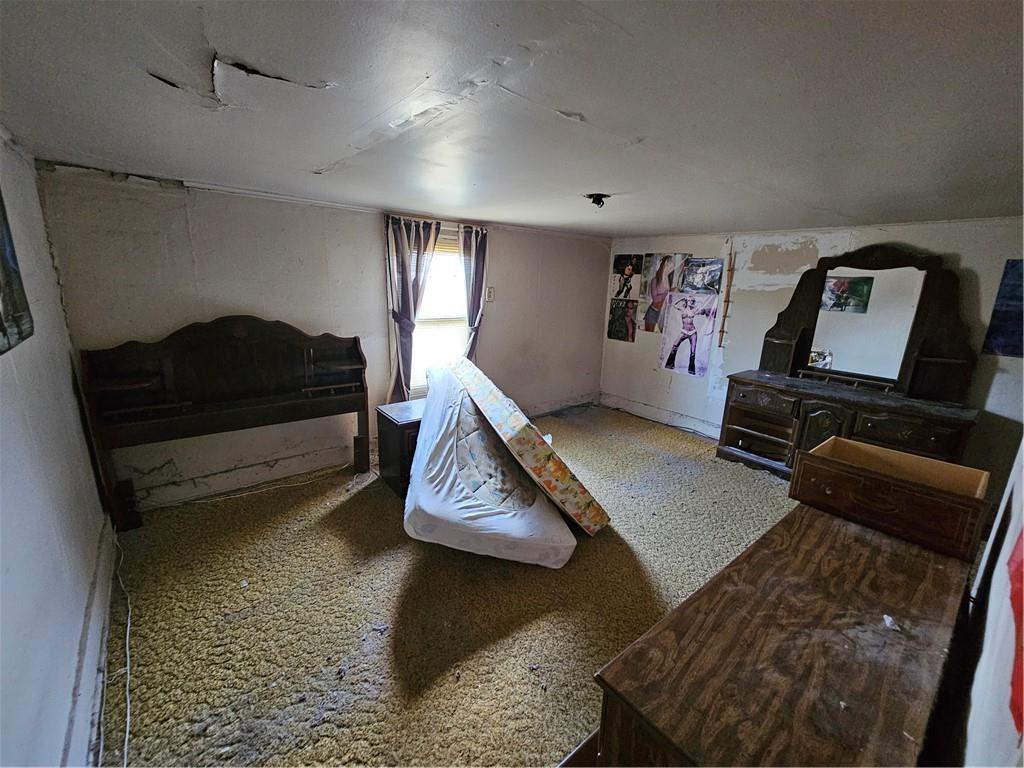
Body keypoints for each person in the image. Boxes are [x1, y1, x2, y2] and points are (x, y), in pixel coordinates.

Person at [664, 294, 714, 374]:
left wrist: (698, 300)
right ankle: (670, 364)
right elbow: (674, 304)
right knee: (674, 346)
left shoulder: (694, 310)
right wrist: (683, 298)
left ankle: (691, 370)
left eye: (693, 301)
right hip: (683, 331)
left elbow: (702, 305)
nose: (692, 302)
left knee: (693, 351)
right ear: (687, 301)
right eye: (690, 300)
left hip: (692, 332)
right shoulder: (682, 309)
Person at [643, 255, 675, 331]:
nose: (671, 269)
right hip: (653, 312)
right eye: (670, 267)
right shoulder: (655, 280)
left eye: (672, 268)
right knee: (648, 335)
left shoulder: (669, 280)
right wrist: (667, 293)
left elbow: (668, 297)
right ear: (665, 264)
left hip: (663, 313)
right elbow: (655, 299)